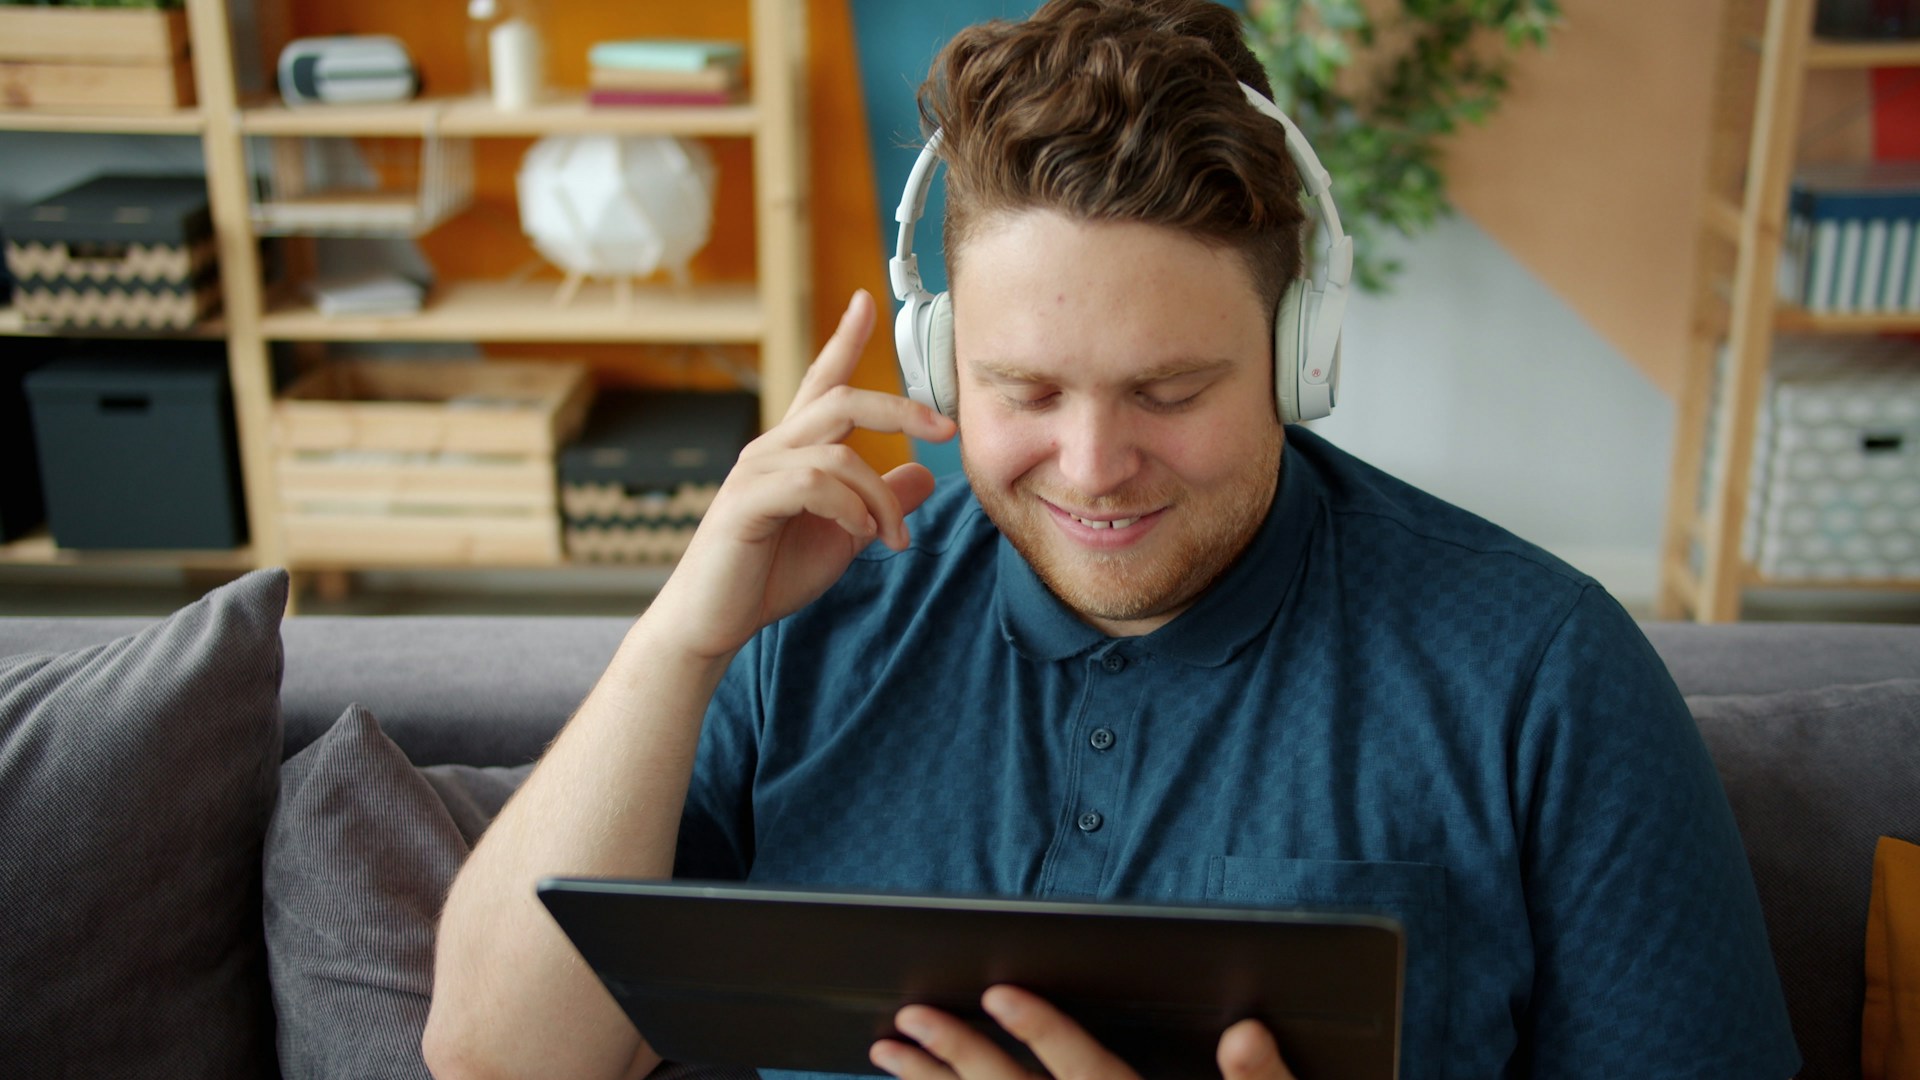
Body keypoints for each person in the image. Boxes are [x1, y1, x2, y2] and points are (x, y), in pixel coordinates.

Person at [424, 2, 1801, 1078]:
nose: (1092, 467)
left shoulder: (1542, 674)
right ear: (943, 359)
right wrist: (682, 634)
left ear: (1298, 357)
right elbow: (499, 1057)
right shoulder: (811, 625)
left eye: (1169, 392)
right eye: (1024, 392)